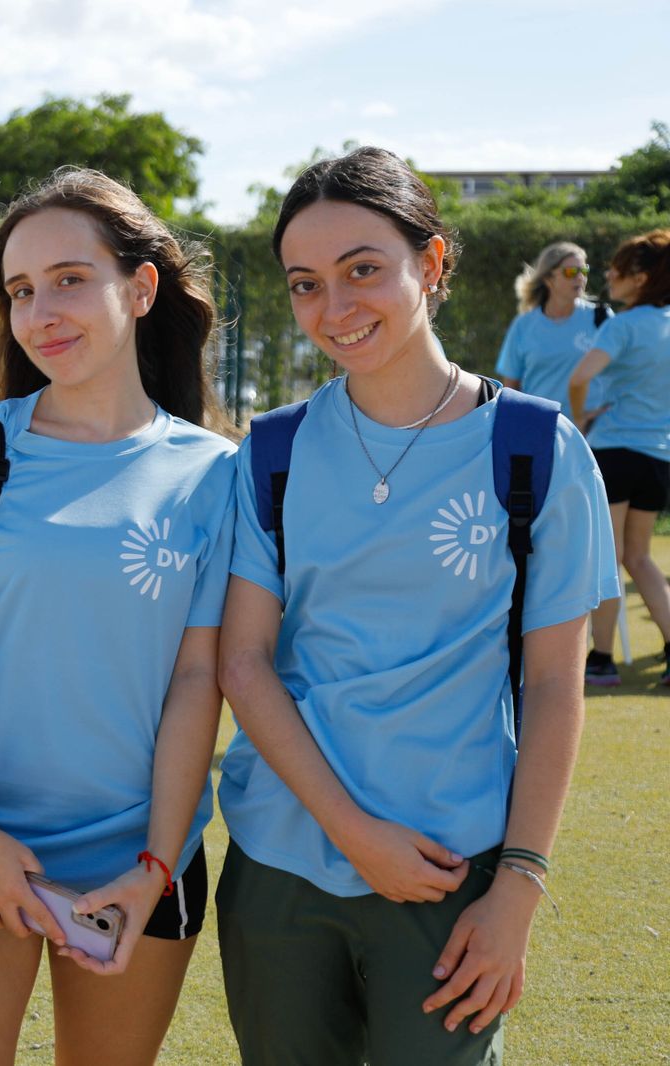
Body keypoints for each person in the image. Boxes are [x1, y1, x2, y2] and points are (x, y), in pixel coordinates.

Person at [217, 147, 616, 1066]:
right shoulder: (271, 452)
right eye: (305, 283)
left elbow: (556, 681)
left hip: (457, 868)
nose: (335, 307)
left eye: (364, 269)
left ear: (431, 265)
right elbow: (245, 662)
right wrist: (354, 834)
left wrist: (518, 883)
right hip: (281, 864)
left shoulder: (536, 449)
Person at [0, 168, 236, 1065]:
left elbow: (199, 679)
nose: (41, 313)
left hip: (142, 864)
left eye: (70, 279)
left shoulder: (216, 473)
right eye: (21, 291)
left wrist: (154, 868)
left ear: (141, 287)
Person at [569, 228, 670, 685]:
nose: (608, 274)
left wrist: (581, 419)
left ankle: (602, 659)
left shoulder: (623, 324)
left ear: (644, 276)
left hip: (615, 452)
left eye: (620, 268)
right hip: (658, 458)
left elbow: (578, 378)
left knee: (608, 559)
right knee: (639, 558)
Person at [495, 240, 611, 420]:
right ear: (548, 279)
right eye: (571, 272)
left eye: (584, 270)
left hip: (591, 435)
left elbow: (627, 372)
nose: (580, 277)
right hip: (540, 430)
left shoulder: (601, 317)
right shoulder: (523, 325)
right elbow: (511, 388)